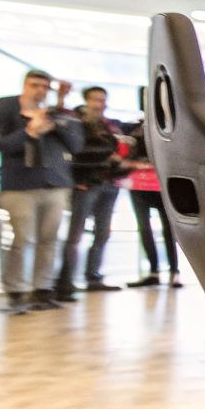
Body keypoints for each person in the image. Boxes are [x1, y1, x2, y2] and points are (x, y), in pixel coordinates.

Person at [0, 70, 84, 312]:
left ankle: (42, 289)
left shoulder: (57, 115)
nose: (39, 90)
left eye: (44, 86)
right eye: (34, 85)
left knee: (49, 240)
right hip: (19, 185)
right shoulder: (7, 106)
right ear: (24, 85)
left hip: (55, 184)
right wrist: (30, 131)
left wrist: (54, 121)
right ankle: (17, 292)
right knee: (21, 240)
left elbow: (76, 145)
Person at [56, 87, 126, 300]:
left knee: (102, 232)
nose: (99, 104)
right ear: (86, 101)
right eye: (95, 100)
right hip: (86, 184)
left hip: (108, 183)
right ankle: (65, 281)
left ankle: (93, 276)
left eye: (102, 100)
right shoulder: (77, 122)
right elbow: (74, 150)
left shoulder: (110, 125)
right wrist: (77, 179)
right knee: (75, 234)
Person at [123, 117, 180, 288]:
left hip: (162, 183)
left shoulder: (170, 127)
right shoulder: (132, 128)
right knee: (144, 227)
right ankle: (154, 271)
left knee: (168, 229)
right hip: (139, 183)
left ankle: (174, 272)